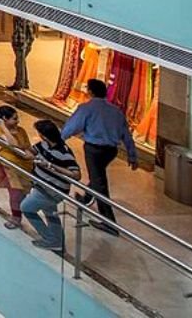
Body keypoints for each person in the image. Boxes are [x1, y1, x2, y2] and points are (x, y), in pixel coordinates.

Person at [60, 77, 138, 233]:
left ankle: (109, 223)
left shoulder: (86, 108)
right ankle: (87, 198)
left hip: (93, 150)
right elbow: (126, 134)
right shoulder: (116, 111)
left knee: (100, 183)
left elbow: (73, 126)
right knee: (98, 175)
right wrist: (132, 155)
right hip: (111, 151)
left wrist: (59, 140)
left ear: (90, 91)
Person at [22, 118, 81, 252]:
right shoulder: (43, 144)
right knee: (50, 212)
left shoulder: (64, 152)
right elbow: (31, 151)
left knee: (26, 208)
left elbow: (76, 175)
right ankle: (57, 241)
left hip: (52, 190)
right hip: (41, 185)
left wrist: (50, 166)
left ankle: (50, 239)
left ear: (44, 135)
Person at [0, 104, 34, 230]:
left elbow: (28, 147)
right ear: (4, 118)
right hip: (10, 166)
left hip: (25, 165)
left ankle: (20, 214)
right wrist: (3, 126)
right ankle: (16, 218)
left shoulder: (21, 130)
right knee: (15, 194)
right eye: (14, 118)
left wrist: (30, 155)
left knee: (23, 194)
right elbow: (12, 143)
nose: (17, 121)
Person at [8, 16, 37, 91]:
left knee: (19, 63)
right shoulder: (17, 18)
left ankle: (20, 84)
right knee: (21, 63)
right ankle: (23, 83)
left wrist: (27, 44)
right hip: (17, 43)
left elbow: (31, 35)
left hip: (23, 45)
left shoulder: (25, 19)